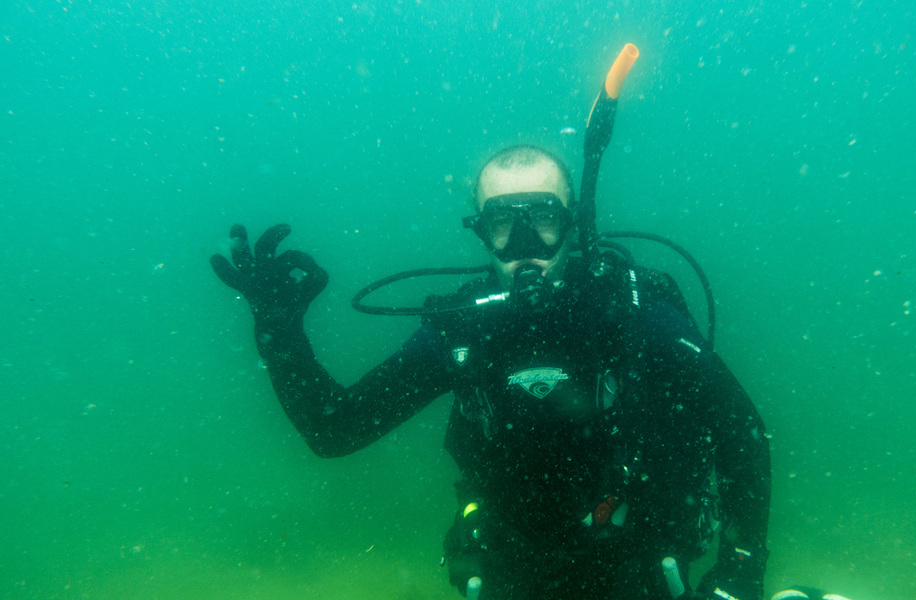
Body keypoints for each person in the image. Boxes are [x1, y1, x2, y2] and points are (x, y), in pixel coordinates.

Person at [210, 145, 770, 600]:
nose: (524, 245)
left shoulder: (631, 311)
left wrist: (740, 573)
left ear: (573, 222)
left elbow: (741, 433)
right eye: (502, 222)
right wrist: (279, 330)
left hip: (640, 562)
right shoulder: (462, 328)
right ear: (480, 230)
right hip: (512, 568)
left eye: (543, 219)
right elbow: (335, 430)